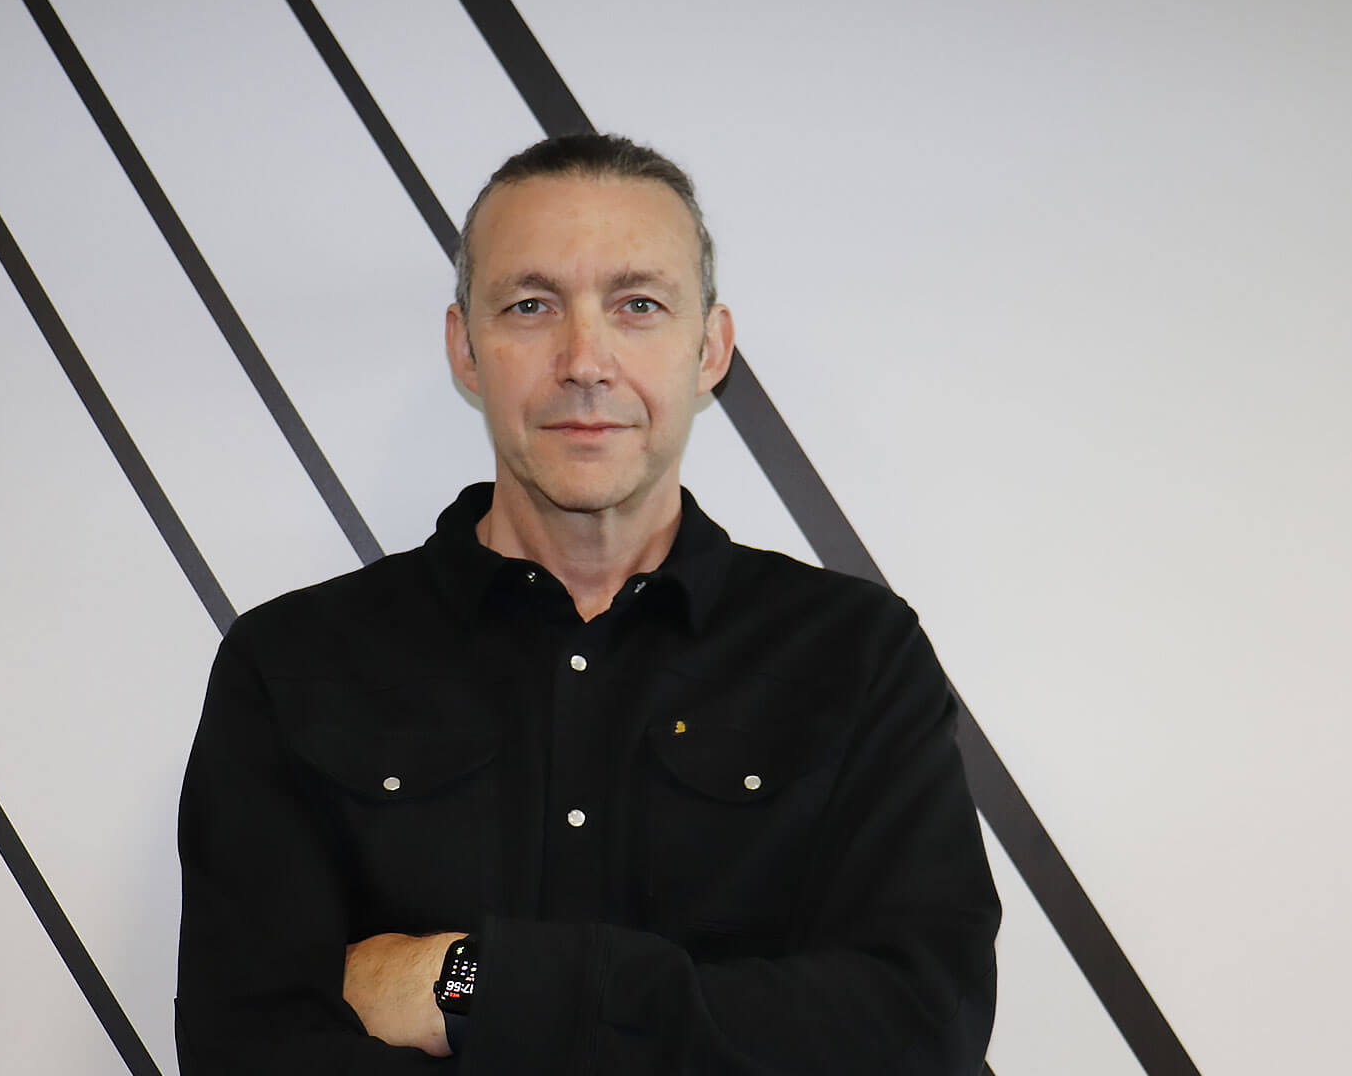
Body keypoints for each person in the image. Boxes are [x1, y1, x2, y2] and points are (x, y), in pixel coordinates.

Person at [175, 134, 1000, 1074]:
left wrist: (477, 986)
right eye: (531, 306)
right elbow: (243, 1048)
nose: (584, 360)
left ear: (709, 348)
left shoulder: (857, 655)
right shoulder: (292, 663)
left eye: (637, 305)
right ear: (466, 349)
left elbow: (918, 1028)